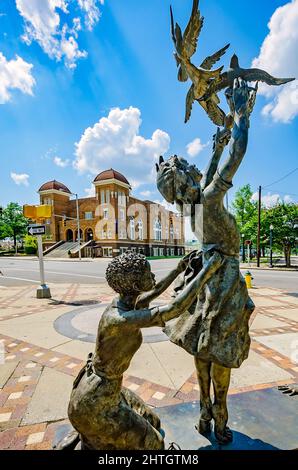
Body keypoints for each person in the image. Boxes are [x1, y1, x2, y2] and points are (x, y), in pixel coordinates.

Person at [155, 79, 256, 444]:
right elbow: (236, 156)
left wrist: (215, 148)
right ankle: (222, 419)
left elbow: (209, 175)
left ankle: (203, 413)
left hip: (210, 275)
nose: (196, 166)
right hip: (225, 277)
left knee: (202, 349)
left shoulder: (191, 207)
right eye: (188, 165)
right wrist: (241, 116)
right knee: (221, 359)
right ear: (187, 181)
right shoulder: (208, 199)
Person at [60, 250, 222, 450]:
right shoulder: (119, 319)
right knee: (156, 445)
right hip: (95, 401)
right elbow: (174, 309)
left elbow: (156, 290)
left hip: (107, 390)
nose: (153, 276)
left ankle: (91, 435)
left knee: (153, 421)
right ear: (136, 286)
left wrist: (179, 269)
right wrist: (206, 272)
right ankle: (88, 434)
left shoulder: (124, 303)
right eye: (149, 274)